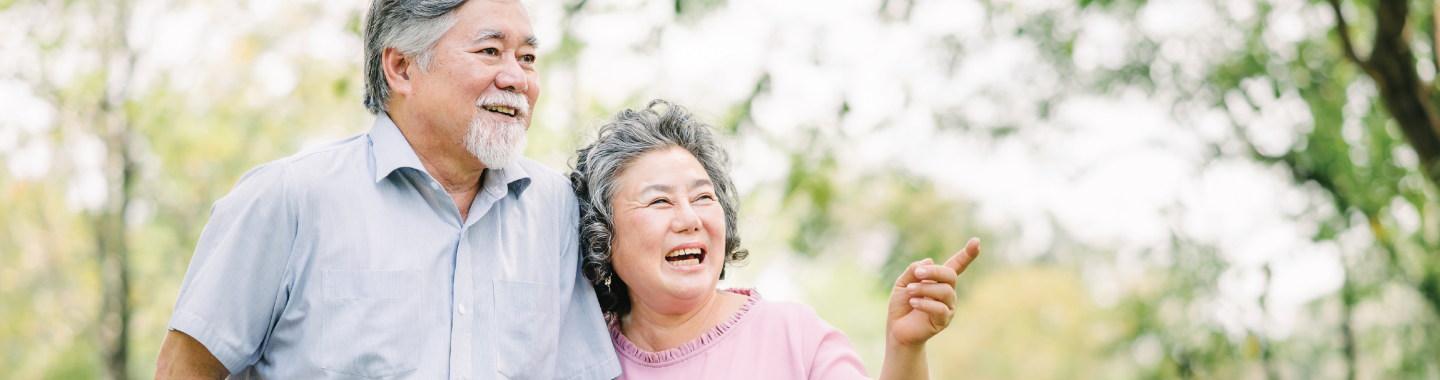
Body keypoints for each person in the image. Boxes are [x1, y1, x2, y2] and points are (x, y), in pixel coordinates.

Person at [154, 0, 621, 378]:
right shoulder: (288, 196)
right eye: (490, 51)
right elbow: (184, 369)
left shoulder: (556, 207)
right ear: (400, 68)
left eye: (527, 58)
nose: (517, 78)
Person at [569, 100, 981, 379]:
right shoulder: (577, 351)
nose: (690, 218)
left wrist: (905, 347)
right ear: (602, 233)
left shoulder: (794, 336)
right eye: (659, 201)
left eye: (703, 197)